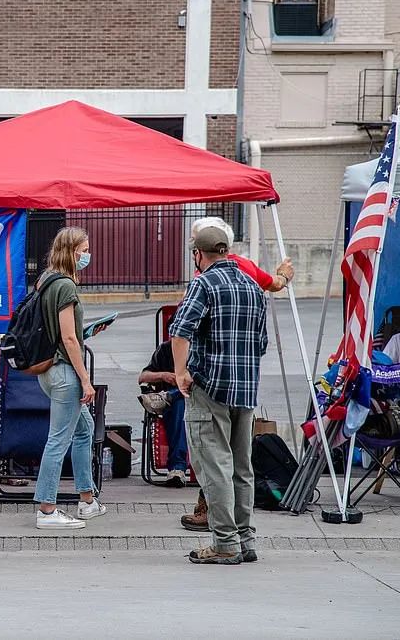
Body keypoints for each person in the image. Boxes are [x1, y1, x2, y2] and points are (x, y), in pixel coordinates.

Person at [170, 225, 268, 565]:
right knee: (242, 467)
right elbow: (262, 343)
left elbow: (180, 332)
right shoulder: (253, 287)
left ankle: (225, 543)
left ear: (199, 254)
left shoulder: (203, 283)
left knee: (214, 467)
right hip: (245, 389)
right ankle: (245, 538)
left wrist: (181, 372)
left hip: (210, 387)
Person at [32, 227, 105, 530]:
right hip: (64, 372)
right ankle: (47, 510)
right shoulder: (66, 287)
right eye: (85, 249)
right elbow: (69, 339)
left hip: (49, 370)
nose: (88, 255)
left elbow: (62, 334)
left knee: (83, 430)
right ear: (74, 252)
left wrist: (87, 331)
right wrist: (86, 380)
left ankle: (87, 500)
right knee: (59, 439)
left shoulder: (45, 281)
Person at [138, 340, 187, 487]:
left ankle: (169, 396)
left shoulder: (201, 347)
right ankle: (177, 469)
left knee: (185, 393)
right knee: (179, 407)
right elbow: (142, 377)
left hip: (200, 399)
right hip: (175, 407)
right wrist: (163, 375)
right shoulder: (165, 349)